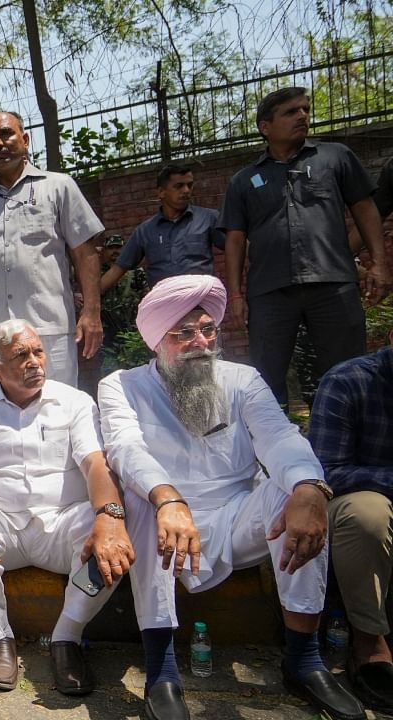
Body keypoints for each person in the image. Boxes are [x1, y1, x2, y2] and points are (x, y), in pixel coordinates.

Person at [98, 274, 364, 720]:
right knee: (142, 499)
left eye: (207, 329)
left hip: (239, 518)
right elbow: (126, 448)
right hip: (165, 525)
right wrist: (169, 498)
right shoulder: (121, 385)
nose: (200, 342)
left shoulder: (243, 379)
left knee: (293, 493)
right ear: (155, 341)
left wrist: (309, 488)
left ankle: (304, 660)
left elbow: (280, 438)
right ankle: (161, 672)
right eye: (183, 333)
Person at [0, 319, 133, 694]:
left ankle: (67, 638)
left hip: (62, 526)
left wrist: (109, 516)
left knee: (112, 535)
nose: (35, 362)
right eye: (21, 355)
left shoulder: (75, 401)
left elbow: (95, 463)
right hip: (2, 527)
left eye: (38, 351)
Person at [220, 87, 389, 406]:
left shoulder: (335, 157)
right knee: (264, 381)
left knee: (348, 373)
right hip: (270, 292)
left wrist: (379, 263)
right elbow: (235, 238)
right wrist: (237, 295)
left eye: (305, 110)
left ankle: (348, 447)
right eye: (291, 112)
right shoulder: (244, 181)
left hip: (333, 284)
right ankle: (274, 451)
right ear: (265, 126)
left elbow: (365, 208)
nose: (303, 116)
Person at [0, 111, 105, 389]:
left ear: (25, 139)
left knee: (57, 412)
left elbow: (85, 253)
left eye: (6, 133)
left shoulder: (58, 187)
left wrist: (91, 312)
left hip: (48, 330)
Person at [307, 333, 393, 713]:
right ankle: (368, 641)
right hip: (352, 501)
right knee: (368, 514)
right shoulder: (349, 380)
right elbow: (328, 471)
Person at [100, 164, 226, 292]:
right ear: (161, 192)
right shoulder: (145, 231)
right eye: (179, 186)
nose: (186, 190)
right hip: (164, 302)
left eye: (190, 185)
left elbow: (236, 247)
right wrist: (89, 299)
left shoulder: (209, 218)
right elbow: (118, 268)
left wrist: (235, 294)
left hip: (201, 300)